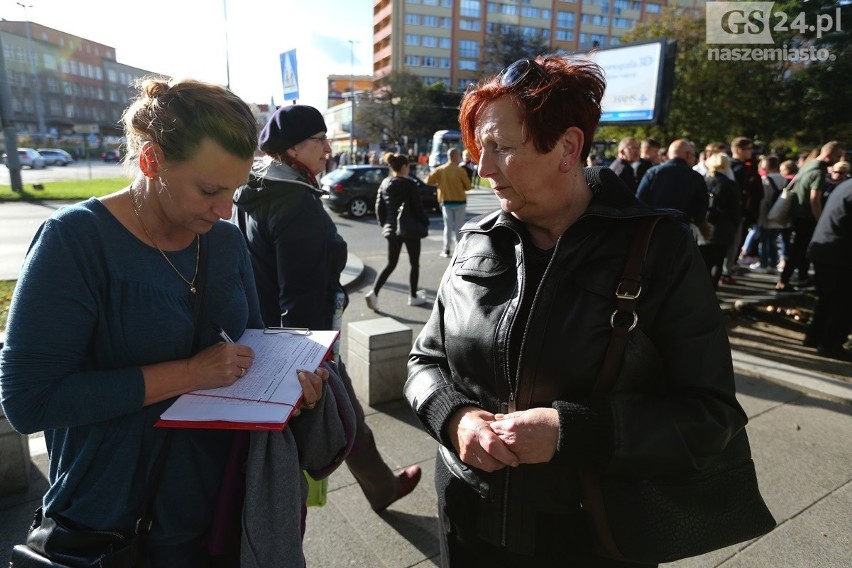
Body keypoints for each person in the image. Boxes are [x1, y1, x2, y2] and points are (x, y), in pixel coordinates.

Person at [405, 55, 749, 566]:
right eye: (481, 148)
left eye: (502, 147)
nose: (483, 168)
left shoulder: (661, 248)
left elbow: (710, 414)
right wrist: (452, 416)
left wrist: (571, 432)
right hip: (467, 520)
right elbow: (424, 362)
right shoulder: (478, 238)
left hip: (592, 536)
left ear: (567, 148)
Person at [0, 78, 345, 567]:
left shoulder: (224, 241)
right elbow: (28, 401)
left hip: (226, 507)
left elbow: (252, 343)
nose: (226, 209)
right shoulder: (75, 242)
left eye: (235, 190)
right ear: (151, 160)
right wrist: (188, 373)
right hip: (113, 518)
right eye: (209, 189)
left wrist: (292, 390)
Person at [231, 104, 421, 513]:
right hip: (306, 344)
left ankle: (381, 488)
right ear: (292, 148)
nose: (328, 148)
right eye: (319, 140)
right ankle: (376, 490)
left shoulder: (256, 191)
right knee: (342, 421)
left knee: (344, 420)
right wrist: (312, 360)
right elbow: (299, 295)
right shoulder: (295, 203)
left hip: (268, 335)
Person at [776, 141, 845, 292]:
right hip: (807, 216)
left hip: (798, 214)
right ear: (828, 155)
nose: (839, 160)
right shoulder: (818, 172)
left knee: (802, 248)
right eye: (837, 156)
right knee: (799, 249)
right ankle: (785, 280)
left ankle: (801, 277)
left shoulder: (808, 166)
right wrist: (820, 221)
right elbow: (815, 199)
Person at [365, 152, 430, 309]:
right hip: (410, 230)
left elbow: (379, 207)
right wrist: (425, 221)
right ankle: (413, 296)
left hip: (392, 230)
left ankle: (374, 293)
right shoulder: (410, 184)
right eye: (408, 166)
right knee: (414, 264)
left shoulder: (385, 183)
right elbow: (418, 207)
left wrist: (385, 225)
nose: (409, 169)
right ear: (403, 167)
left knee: (391, 264)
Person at [804, 177, 852, 361]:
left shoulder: (846, 185)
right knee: (843, 303)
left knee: (827, 299)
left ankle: (814, 336)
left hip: (825, 248)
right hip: (839, 254)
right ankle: (830, 344)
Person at [636, 138, 710, 240]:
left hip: (652, 231)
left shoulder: (652, 173)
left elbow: (639, 201)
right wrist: (705, 231)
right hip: (680, 233)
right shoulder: (696, 177)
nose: (694, 159)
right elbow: (700, 210)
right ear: (688, 154)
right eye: (693, 155)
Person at [699, 153, 742, 289]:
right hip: (722, 227)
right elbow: (735, 208)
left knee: (702, 263)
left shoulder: (702, 181)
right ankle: (711, 293)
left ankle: (699, 292)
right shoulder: (730, 184)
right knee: (717, 262)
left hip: (702, 225)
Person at [427, 147, 472, 257]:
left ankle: (446, 250)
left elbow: (428, 180)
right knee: (459, 227)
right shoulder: (460, 170)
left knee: (447, 227)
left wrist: (439, 185)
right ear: (456, 156)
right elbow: (468, 187)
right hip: (460, 201)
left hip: (446, 201)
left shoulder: (440, 170)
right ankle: (459, 250)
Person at [750, 155, 788, 273]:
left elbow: (763, 198)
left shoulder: (765, 179)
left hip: (766, 213)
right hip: (779, 214)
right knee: (773, 241)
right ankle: (773, 264)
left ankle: (764, 264)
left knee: (765, 241)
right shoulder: (784, 179)